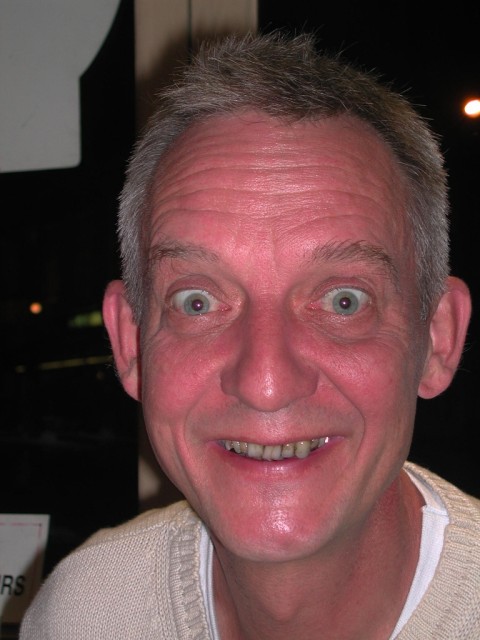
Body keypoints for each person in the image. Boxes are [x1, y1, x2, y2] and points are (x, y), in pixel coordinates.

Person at [20, 32, 479, 639]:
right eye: (197, 302)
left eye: (343, 301)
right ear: (130, 344)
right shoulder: (86, 612)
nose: (265, 383)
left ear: (438, 338)